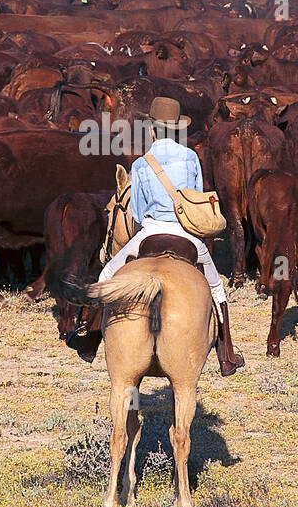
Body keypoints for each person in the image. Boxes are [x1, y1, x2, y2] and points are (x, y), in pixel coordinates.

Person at [66, 97, 244, 376]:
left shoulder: (140, 164)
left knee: (106, 276)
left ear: (152, 130)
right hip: (187, 234)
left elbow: (136, 212)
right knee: (216, 288)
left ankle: (89, 341)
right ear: (177, 130)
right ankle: (227, 355)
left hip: (150, 232)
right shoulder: (190, 158)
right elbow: (195, 197)